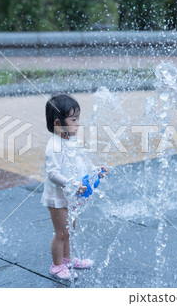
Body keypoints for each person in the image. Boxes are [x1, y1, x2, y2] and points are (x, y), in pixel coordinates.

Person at [41, 94, 107, 280]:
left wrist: (95, 170)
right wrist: (71, 183)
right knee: (61, 233)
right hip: (58, 197)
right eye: (73, 119)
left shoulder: (70, 139)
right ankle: (56, 265)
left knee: (69, 230)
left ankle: (67, 259)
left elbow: (82, 161)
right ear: (58, 122)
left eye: (78, 118)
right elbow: (52, 173)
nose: (78, 123)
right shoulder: (54, 145)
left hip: (71, 194)